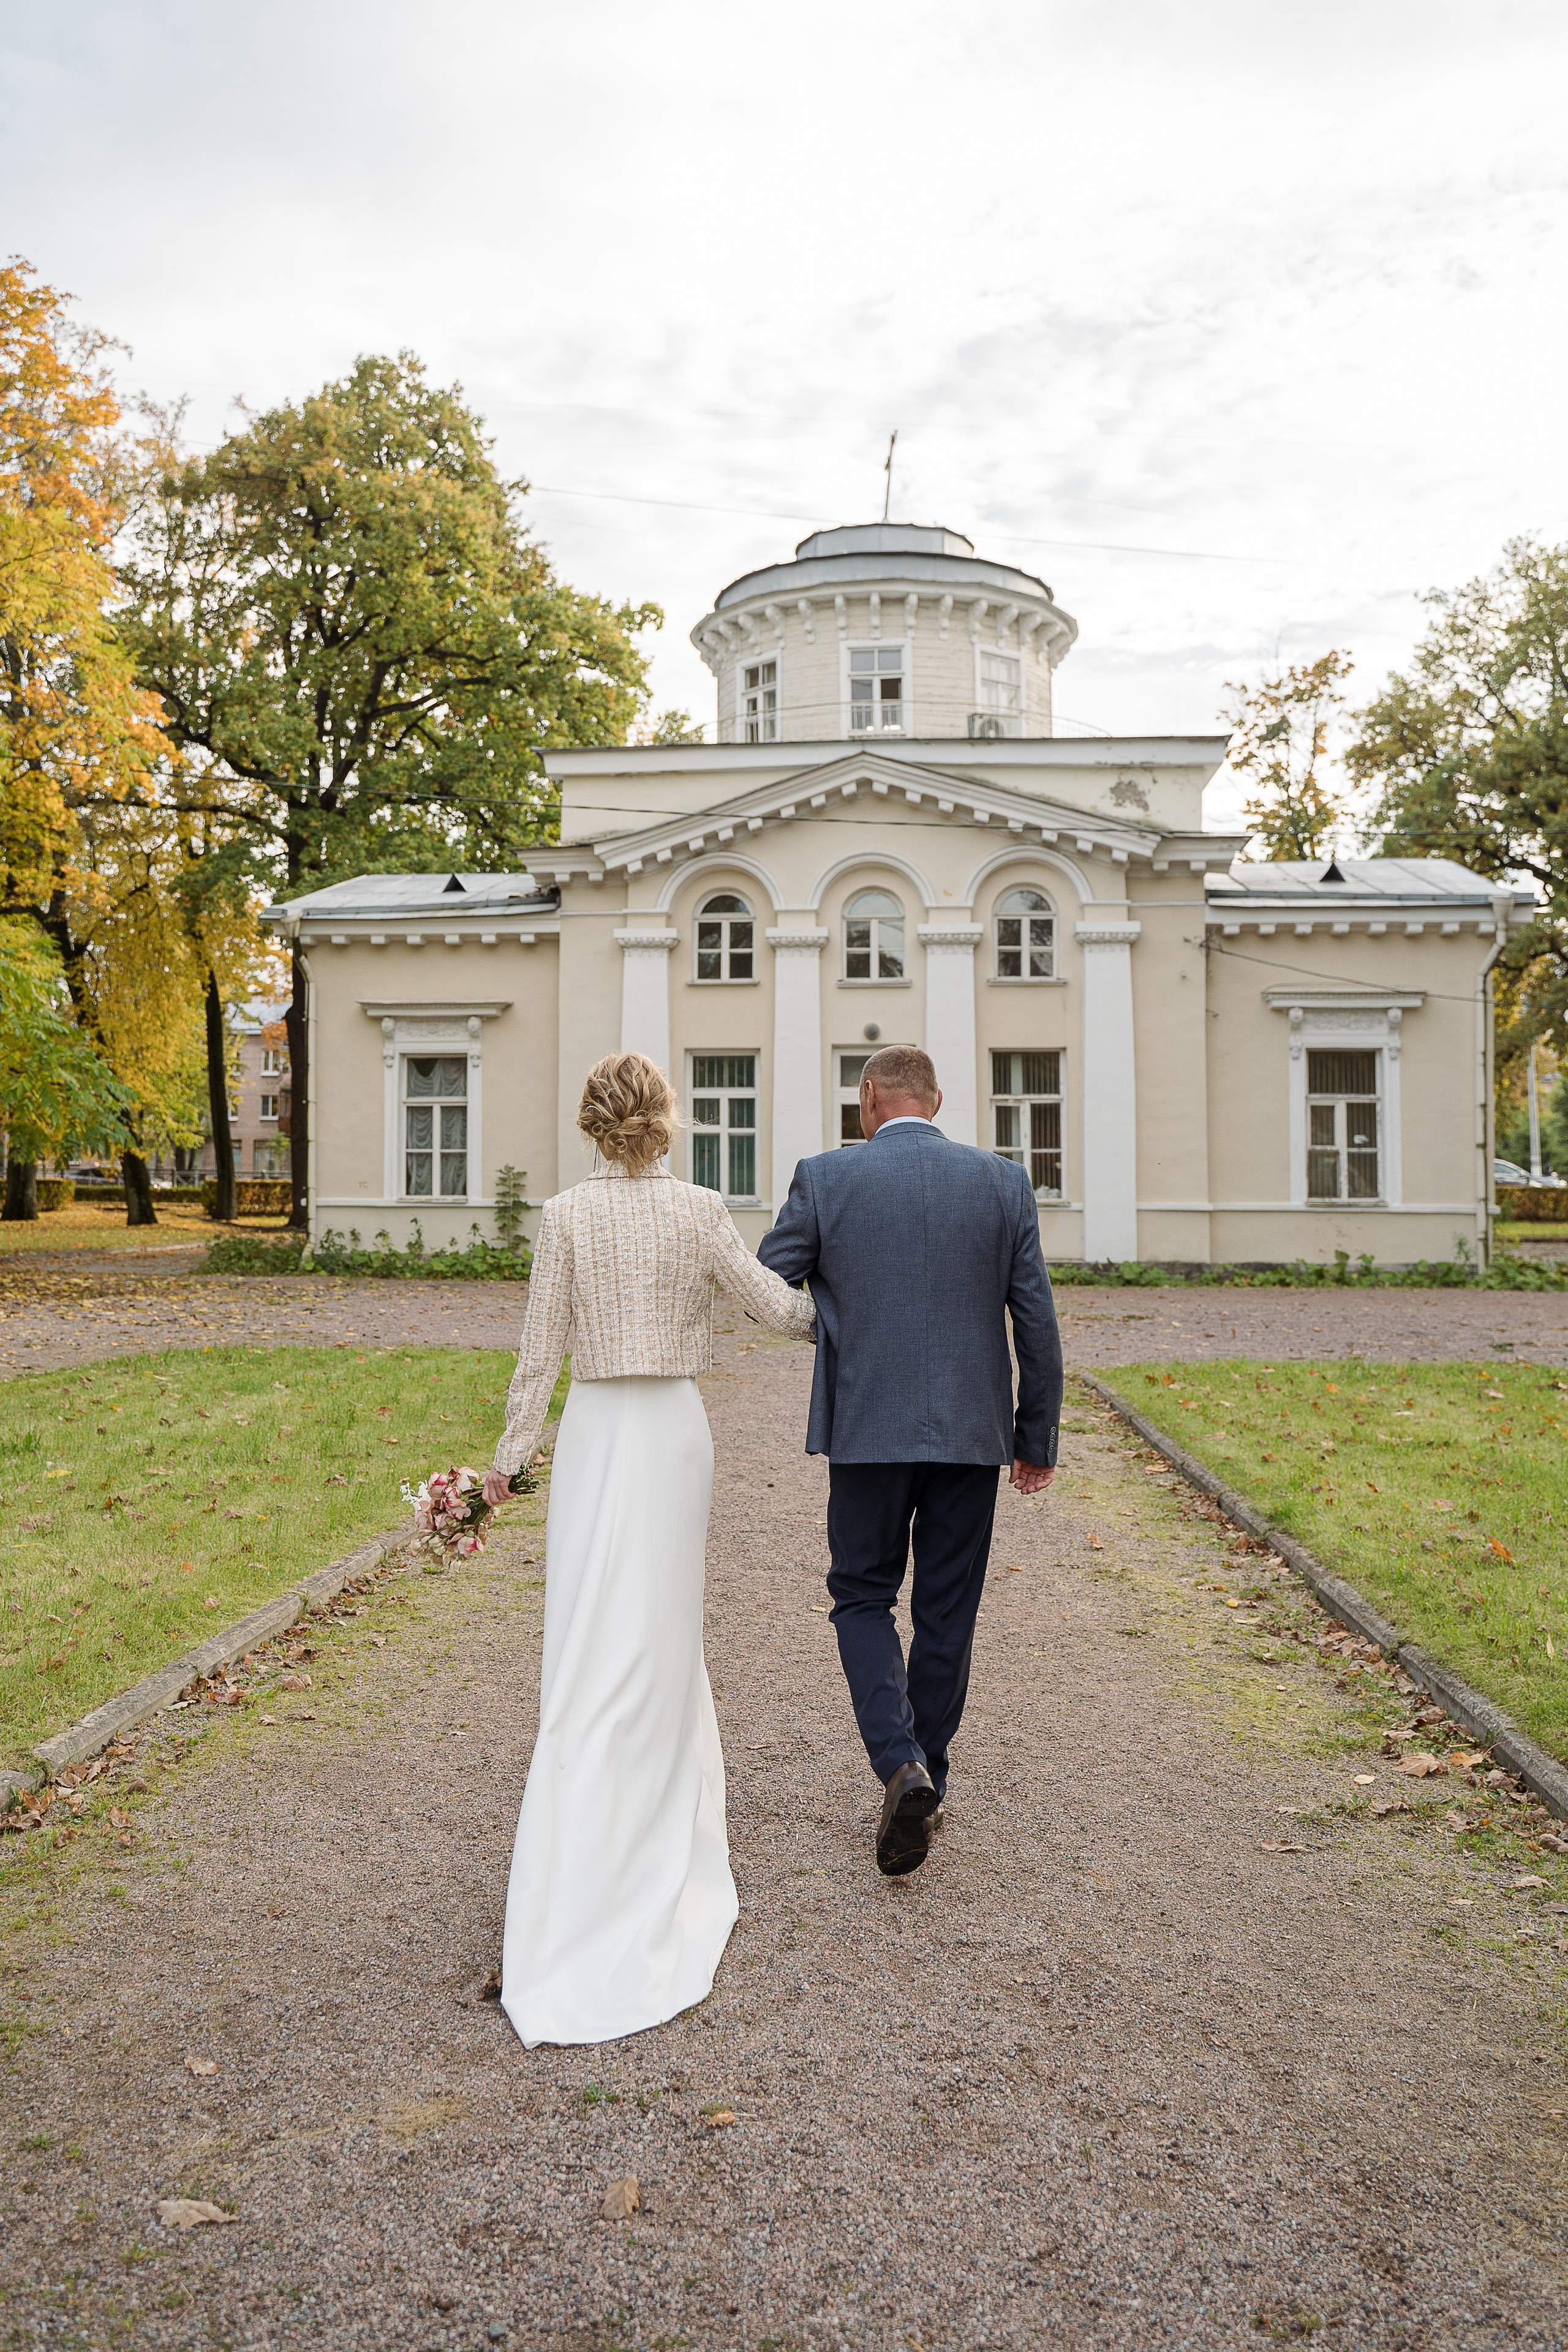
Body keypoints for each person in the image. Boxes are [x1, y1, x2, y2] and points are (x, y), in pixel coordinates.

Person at [481, 1053, 815, 2048]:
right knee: (662, 1644)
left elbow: (539, 1352)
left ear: (590, 1123)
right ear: (667, 1120)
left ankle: (578, 1852)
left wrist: (506, 1463)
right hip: (672, 1434)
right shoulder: (702, 1210)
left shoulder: (565, 1218)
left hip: (593, 1433)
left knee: (590, 1640)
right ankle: (656, 1837)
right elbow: (785, 1312)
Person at [757, 1044, 1062, 1877]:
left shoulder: (825, 1179)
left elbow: (767, 1288)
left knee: (861, 1594)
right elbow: (1035, 1322)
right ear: (936, 1101)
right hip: (971, 1435)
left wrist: (839, 1319)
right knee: (947, 1610)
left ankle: (901, 1764)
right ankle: (928, 1772)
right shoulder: (1002, 1184)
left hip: (867, 1428)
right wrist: (1035, 1438)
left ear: (868, 1104)